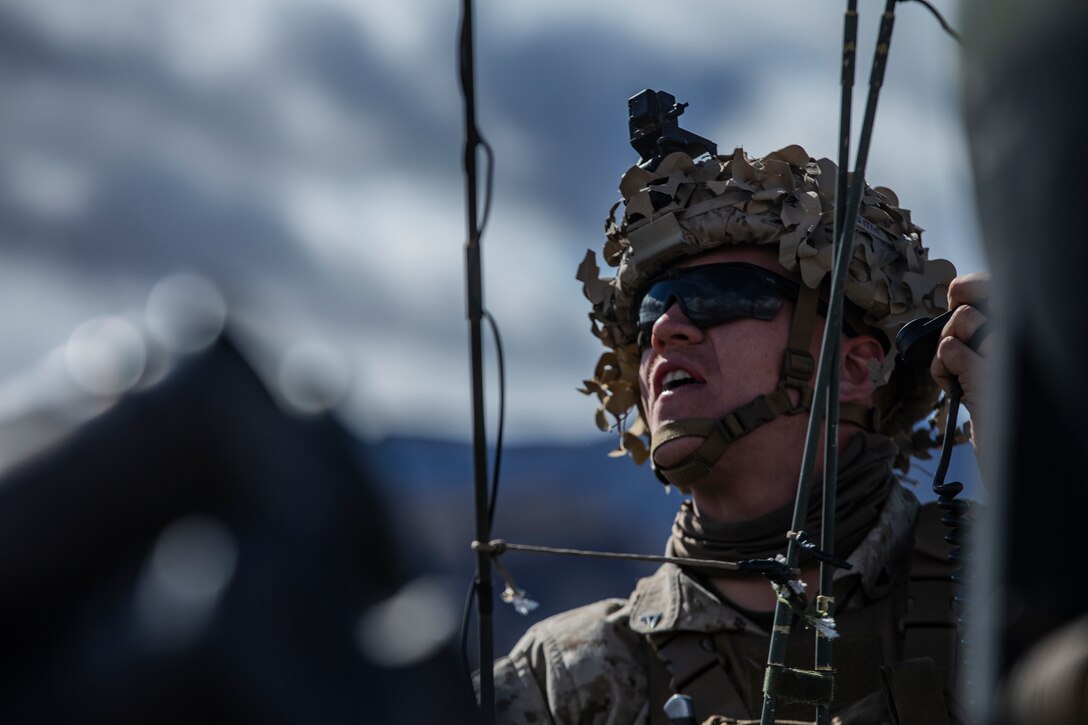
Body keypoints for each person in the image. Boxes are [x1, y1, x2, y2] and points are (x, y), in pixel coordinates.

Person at [487, 139, 990, 723]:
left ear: (854, 369)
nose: (667, 329)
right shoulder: (560, 682)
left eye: (719, 296)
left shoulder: (1006, 593)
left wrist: (1050, 470)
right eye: (653, 308)